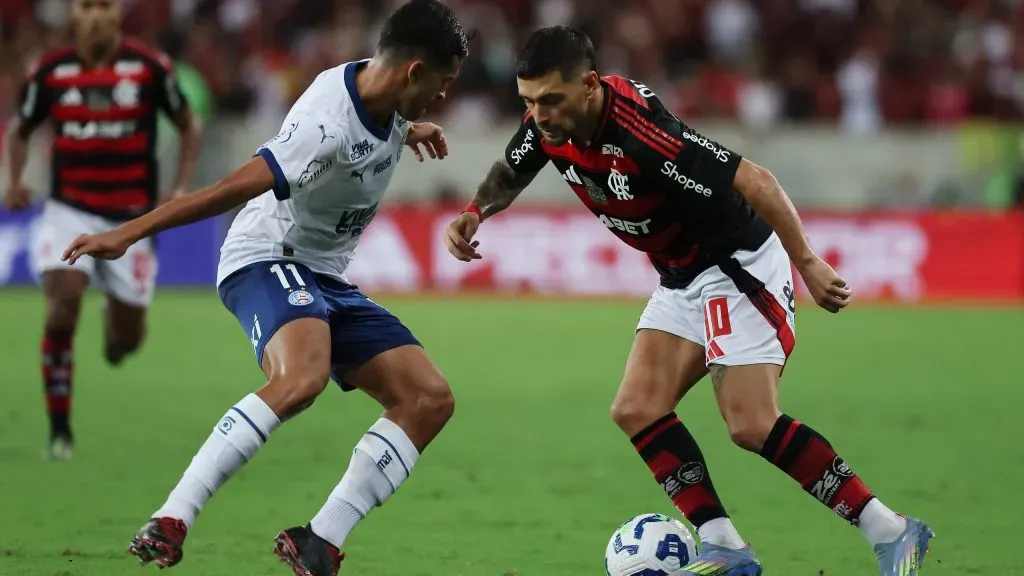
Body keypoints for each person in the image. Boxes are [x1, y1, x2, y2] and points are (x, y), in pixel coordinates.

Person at [444, 26, 933, 576]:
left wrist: (809, 262)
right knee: (637, 408)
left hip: (735, 266)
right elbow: (514, 166)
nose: (539, 114)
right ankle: (725, 547)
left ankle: (892, 531)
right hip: (680, 274)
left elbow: (755, 179)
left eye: (551, 100)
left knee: (750, 423)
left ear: (588, 85)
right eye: (528, 101)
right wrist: (474, 210)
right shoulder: (548, 123)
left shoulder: (643, 135)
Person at [62, 1, 467, 574]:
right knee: (301, 378)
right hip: (267, 256)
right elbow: (229, 189)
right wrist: (129, 232)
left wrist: (407, 126)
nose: (445, 96)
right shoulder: (325, 126)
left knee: (428, 399)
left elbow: (380, 114)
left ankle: (320, 541)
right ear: (414, 72)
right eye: (443, 83)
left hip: (325, 274)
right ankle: (173, 516)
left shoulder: (383, 87)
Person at [2, 0, 202, 460]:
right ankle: (59, 430)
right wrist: (13, 180)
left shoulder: (150, 67)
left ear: (117, 14)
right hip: (68, 211)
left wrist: (181, 184)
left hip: (131, 221)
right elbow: (20, 128)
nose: (95, 15)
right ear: (74, 15)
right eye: (86, 6)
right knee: (62, 305)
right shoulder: (50, 71)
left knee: (126, 341)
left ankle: (115, 331)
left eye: (104, 5)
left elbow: (189, 123)